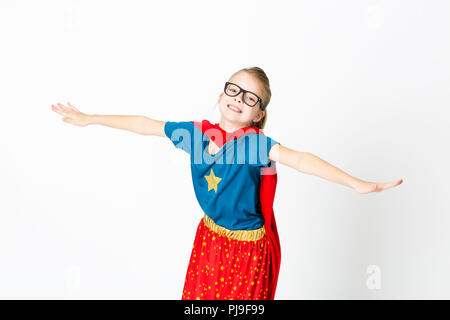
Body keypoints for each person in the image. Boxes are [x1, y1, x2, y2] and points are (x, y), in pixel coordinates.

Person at [51, 66, 403, 300]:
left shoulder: (254, 145)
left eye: (251, 98)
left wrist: (355, 183)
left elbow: (299, 159)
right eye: (233, 90)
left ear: (258, 114)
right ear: (220, 97)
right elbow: (146, 124)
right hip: (210, 239)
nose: (239, 99)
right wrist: (90, 119)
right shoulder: (196, 134)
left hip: (247, 250)